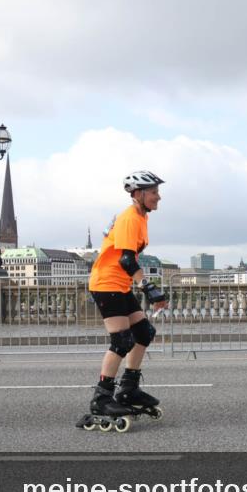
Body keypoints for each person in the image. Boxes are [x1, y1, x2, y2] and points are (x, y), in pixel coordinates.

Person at [82, 171, 169, 429]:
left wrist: (144, 286)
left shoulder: (141, 217)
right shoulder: (130, 218)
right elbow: (126, 260)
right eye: (154, 192)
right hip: (106, 283)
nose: (158, 197)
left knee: (144, 332)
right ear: (138, 194)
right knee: (122, 341)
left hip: (119, 284)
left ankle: (129, 389)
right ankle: (101, 398)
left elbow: (129, 259)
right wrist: (148, 287)